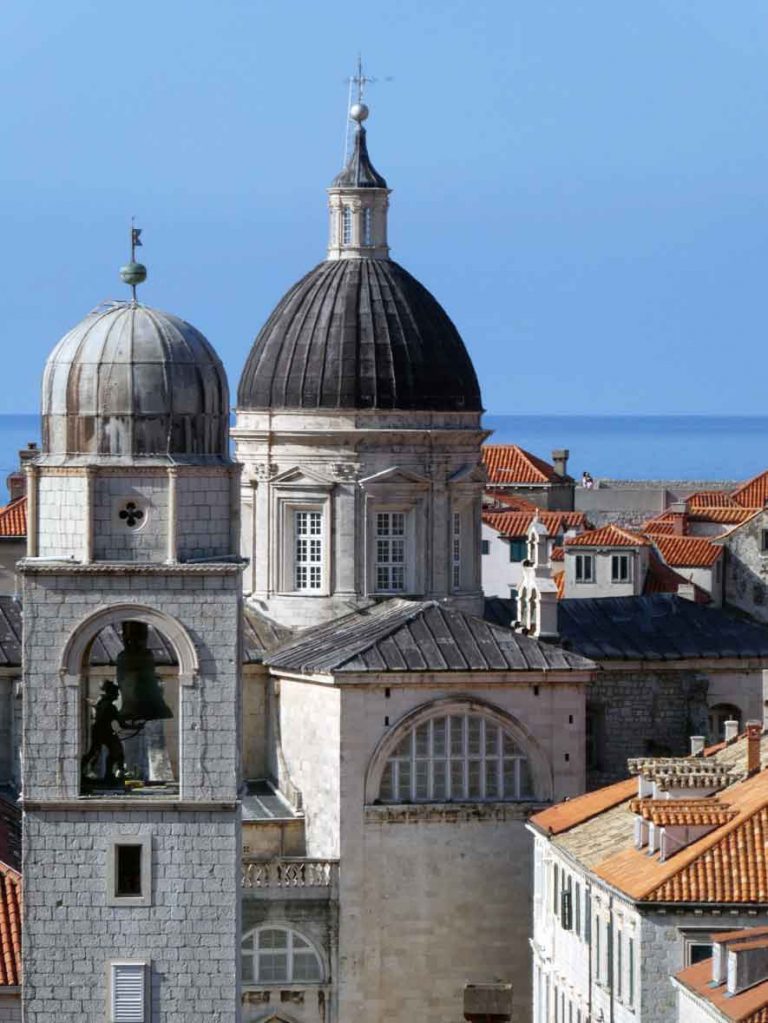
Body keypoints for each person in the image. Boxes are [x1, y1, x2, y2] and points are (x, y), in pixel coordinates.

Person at [81, 680, 126, 784]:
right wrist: (133, 725)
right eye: (116, 693)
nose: (118, 695)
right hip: (105, 732)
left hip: (98, 731)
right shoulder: (110, 707)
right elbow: (121, 723)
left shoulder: (101, 703)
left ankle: (84, 771)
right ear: (111, 694)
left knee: (94, 753)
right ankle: (110, 775)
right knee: (117, 752)